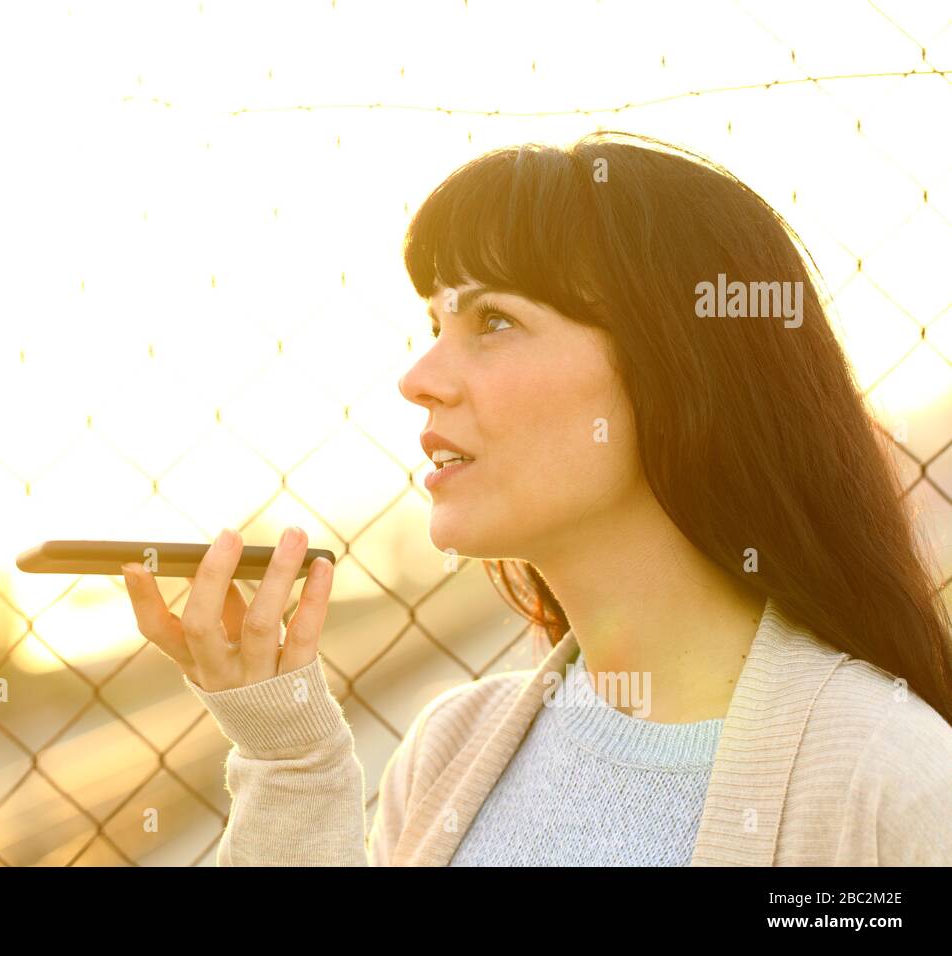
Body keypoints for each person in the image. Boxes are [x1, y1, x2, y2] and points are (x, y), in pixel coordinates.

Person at [120, 131, 952, 866]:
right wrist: (289, 761)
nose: (420, 379)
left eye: (495, 322)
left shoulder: (891, 785)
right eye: (435, 328)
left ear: (678, 370)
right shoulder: (449, 753)